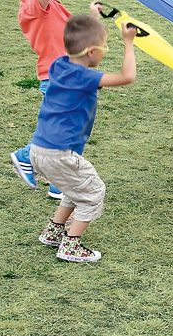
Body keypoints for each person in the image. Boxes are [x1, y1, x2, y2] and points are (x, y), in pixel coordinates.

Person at [31, 15, 138, 263]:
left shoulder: (58, 65)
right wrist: (128, 43)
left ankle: (53, 231)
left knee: (75, 187)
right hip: (60, 154)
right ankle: (71, 245)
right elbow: (127, 77)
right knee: (93, 191)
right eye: (104, 48)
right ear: (91, 52)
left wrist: (94, 18)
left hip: (40, 149)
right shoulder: (85, 77)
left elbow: (79, 37)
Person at [8, 0, 100, 200]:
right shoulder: (36, 7)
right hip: (60, 77)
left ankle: (60, 185)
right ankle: (26, 156)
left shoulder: (44, 2)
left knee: (76, 130)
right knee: (61, 131)